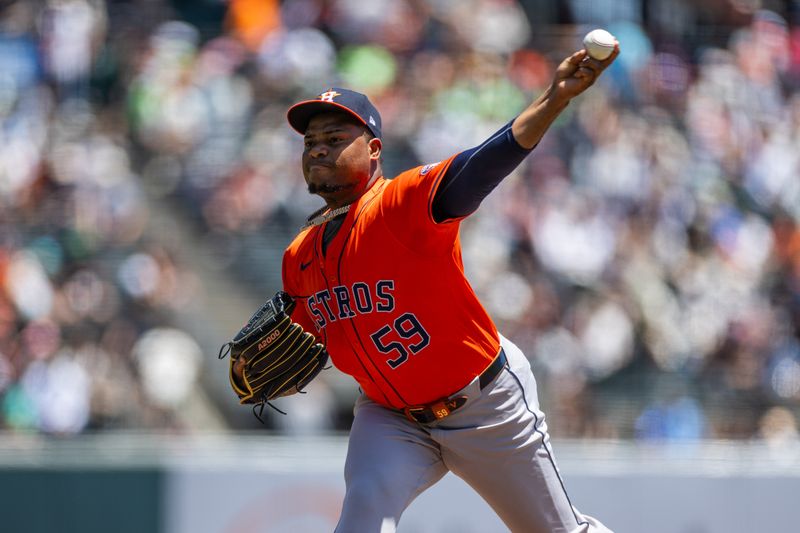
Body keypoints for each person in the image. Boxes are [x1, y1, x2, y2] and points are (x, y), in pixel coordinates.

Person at [277, 43, 619, 532]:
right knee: (361, 521)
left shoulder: (401, 204)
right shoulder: (299, 256)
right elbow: (299, 346)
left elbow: (483, 164)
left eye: (335, 136)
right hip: (390, 417)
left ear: (373, 149)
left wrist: (554, 99)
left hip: (484, 404)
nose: (318, 148)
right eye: (310, 141)